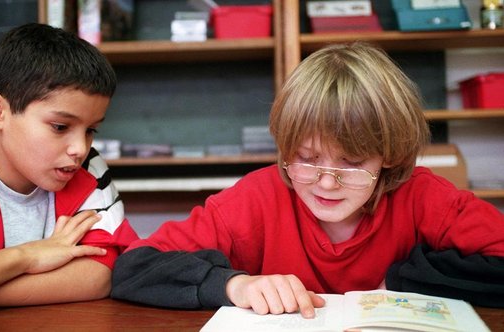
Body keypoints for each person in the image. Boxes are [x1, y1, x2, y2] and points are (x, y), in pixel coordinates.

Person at [111, 42, 504, 318]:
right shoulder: (257, 197)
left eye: (351, 162)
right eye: (305, 159)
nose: (326, 184)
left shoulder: (422, 196)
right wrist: (235, 286)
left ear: (390, 155)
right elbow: (134, 268)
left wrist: (404, 277)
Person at [0, 23, 138, 323]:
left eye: (91, 130)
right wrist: (28, 256)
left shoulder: (87, 170)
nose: (80, 148)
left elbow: (100, 275)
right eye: (60, 127)